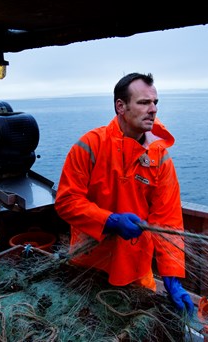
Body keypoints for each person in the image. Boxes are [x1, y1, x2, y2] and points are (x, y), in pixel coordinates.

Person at [54, 72, 194, 315]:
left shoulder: (160, 158)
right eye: (143, 103)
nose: (153, 110)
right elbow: (67, 201)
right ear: (121, 106)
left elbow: (168, 220)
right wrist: (109, 221)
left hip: (135, 270)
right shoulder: (89, 146)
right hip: (88, 265)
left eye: (155, 103)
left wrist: (172, 276)